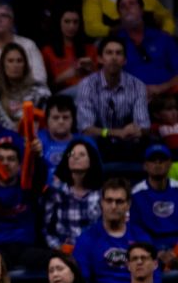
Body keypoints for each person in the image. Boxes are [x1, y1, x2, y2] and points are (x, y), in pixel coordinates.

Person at [72, 178, 153, 283]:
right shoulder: (87, 239)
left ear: (128, 204)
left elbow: (154, 277)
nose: (113, 206)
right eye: (109, 200)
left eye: (119, 201)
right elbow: (81, 281)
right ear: (101, 203)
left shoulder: (141, 237)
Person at [76, 35, 150, 163]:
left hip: (128, 143)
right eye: (109, 53)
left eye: (118, 53)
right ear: (100, 59)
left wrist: (138, 130)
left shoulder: (137, 85)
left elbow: (144, 125)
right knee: (86, 141)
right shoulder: (87, 85)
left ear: (125, 60)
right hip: (98, 143)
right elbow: (86, 128)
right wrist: (115, 133)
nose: (114, 57)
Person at [43, 139, 103, 250]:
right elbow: (47, 229)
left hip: (94, 250)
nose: (75, 157)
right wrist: (59, 248)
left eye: (82, 154)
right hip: (63, 252)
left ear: (91, 160)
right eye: (72, 154)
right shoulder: (55, 191)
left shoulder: (101, 193)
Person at [130, 143, 178, 267]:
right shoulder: (135, 194)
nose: (157, 164)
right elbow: (135, 228)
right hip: (149, 248)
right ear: (145, 166)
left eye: (162, 160)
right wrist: (154, 251)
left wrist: (175, 252)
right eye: (153, 160)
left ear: (170, 164)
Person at [0, 42, 51, 130]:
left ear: (25, 65)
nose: (15, 65)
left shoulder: (40, 90)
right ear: (2, 64)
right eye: (10, 61)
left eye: (19, 61)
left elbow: (48, 120)